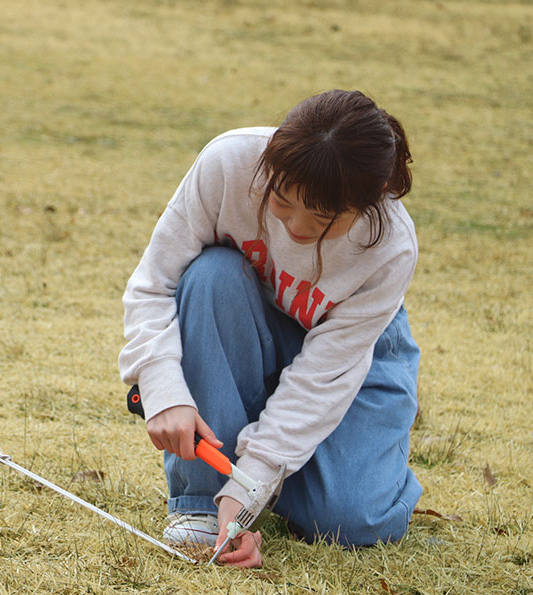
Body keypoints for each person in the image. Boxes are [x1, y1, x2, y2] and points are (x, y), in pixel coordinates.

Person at [118, 90, 422, 568]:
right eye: (282, 200)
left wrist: (250, 488)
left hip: (341, 357)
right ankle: (204, 499)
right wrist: (163, 390)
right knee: (211, 274)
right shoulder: (229, 163)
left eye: (323, 218)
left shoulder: (390, 246)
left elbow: (321, 378)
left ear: (368, 203)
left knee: (350, 521)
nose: (297, 226)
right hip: (236, 317)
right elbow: (153, 284)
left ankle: (289, 473)